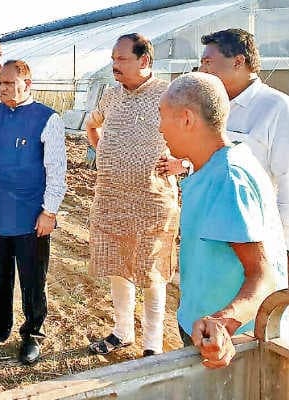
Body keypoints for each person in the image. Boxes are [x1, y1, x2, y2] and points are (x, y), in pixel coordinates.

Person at [158, 72, 287, 368]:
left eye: (163, 115)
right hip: (205, 327)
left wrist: (221, 322)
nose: (160, 127)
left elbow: (263, 276)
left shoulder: (227, 180)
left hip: (230, 344)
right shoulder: (220, 164)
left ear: (186, 119)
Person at [86, 33, 180, 357]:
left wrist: (182, 163)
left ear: (144, 60)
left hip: (152, 202)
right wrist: (103, 152)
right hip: (112, 199)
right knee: (118, 266)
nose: (115, 65)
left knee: (153, 273)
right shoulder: (111, 96)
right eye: (113, 59)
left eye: (121, 59)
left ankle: (152, 345)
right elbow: (92, 125)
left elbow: (197, 137)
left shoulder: (170, 95)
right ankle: (122, 331)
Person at [0, 60, 66, 365]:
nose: (2, 88)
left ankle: (32, 335)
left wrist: (49, 212)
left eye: (9, 83)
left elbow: (56, 170)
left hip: (30, 216)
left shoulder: (47, 119)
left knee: (32, 280)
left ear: (27, 83)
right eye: (0, 83)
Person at [198, 29, 289, 272]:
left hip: (256, 239)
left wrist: (284, 246)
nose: (202, 70)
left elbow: (287, 180)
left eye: (208, 62)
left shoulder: (276, 107)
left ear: (238, 61)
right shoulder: (208, 105)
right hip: (209, 234)